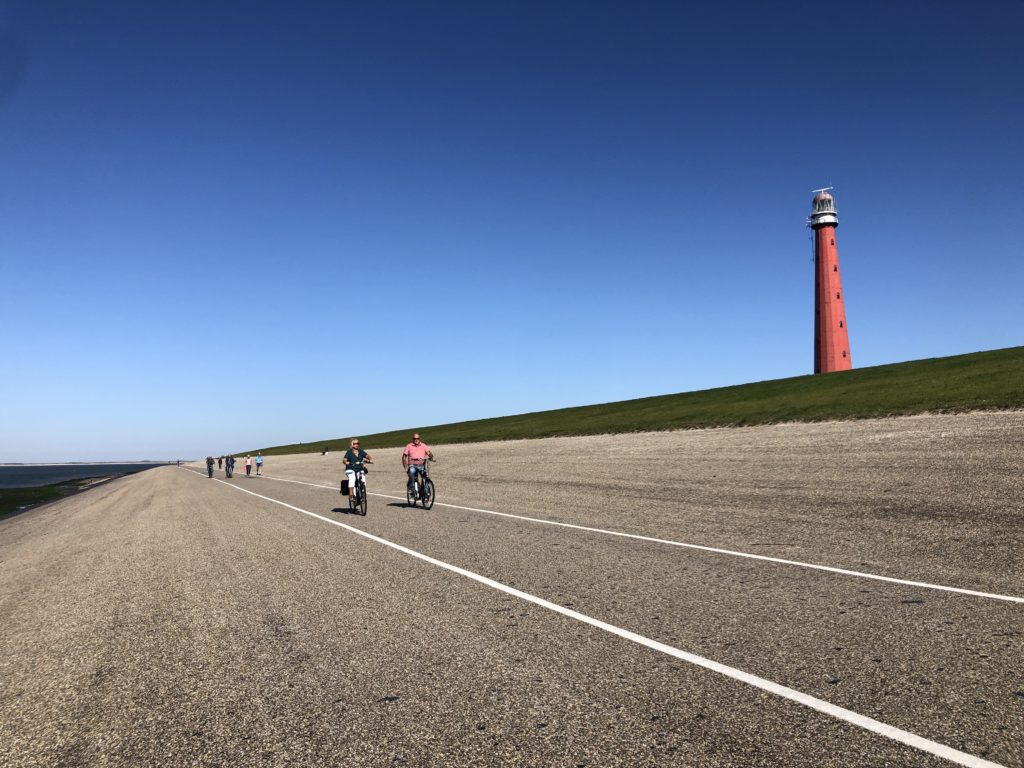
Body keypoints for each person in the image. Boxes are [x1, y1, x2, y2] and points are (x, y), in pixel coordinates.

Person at [402, 433, 434, 497]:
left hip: (421, 465)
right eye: (415, 439)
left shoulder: (423, 445)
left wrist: (432, 457)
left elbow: (429, 453)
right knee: (411, 471)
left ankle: (425, 492)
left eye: (417, 438)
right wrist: (406, 467)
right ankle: (411, 488)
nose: (416, 440)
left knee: (425, 476)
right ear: (412, 439)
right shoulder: (409, 446)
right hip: (412, 465)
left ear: (419, 439)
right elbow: (404, 457)